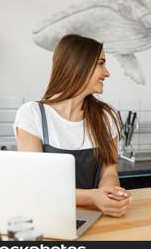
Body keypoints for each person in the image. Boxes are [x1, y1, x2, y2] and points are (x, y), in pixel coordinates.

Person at [14, 34, 131, 217]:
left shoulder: (107, 116)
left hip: (95, 214)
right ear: (78, 65)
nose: (107, 73)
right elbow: (35, 183)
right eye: (101, 63)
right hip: (48, 215)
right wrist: (93, 197)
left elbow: (109, 169)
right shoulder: (32, 115)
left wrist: (109, 194)